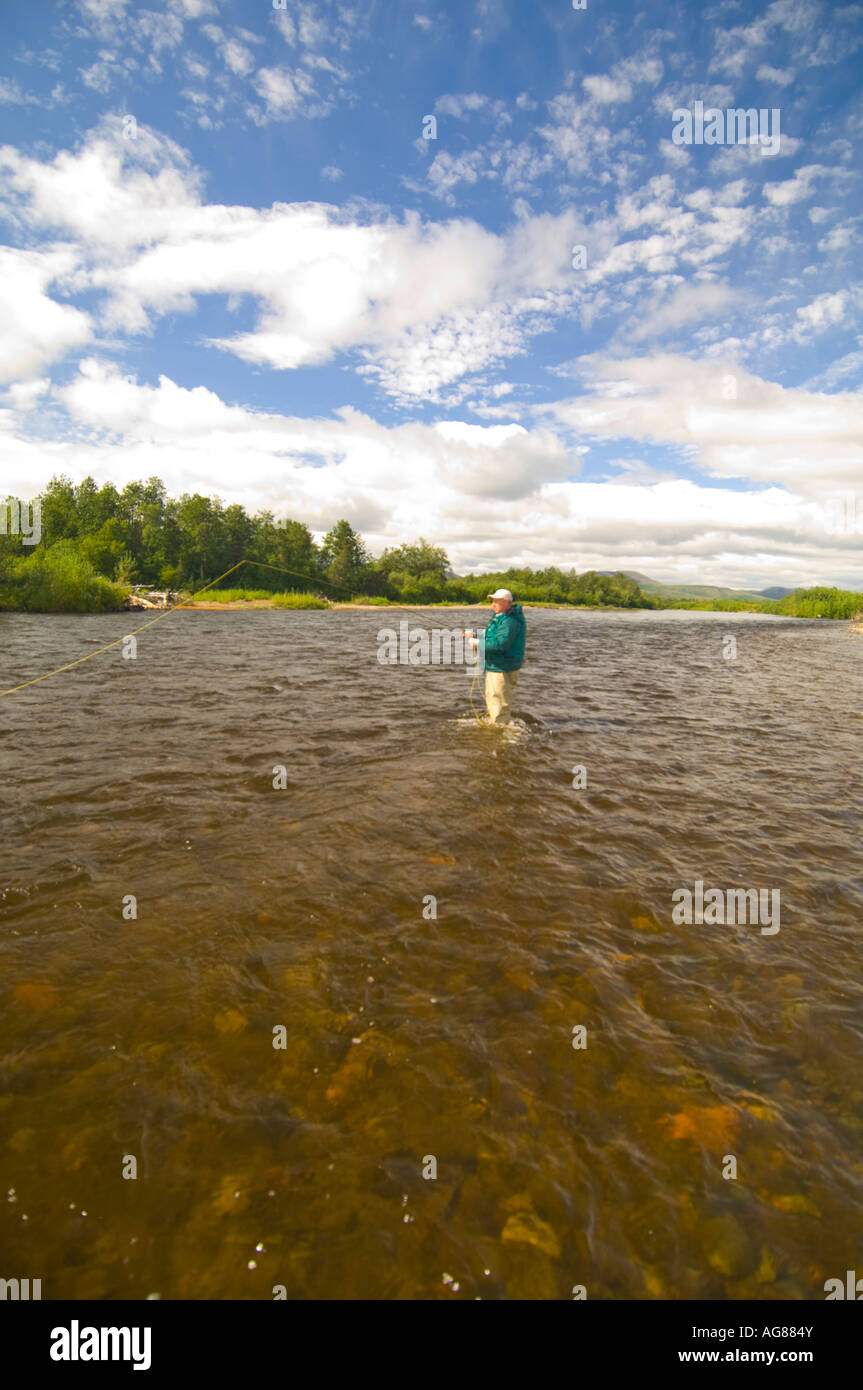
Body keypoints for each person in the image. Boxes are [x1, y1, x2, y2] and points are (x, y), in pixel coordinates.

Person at [465, 589, 526, 724]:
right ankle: (498, 727)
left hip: (502, 668)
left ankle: (500, 734)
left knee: (498, 704)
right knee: (494, 701)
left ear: (505, 602)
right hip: (497, 666)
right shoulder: (502, 618)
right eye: (492, 601)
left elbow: (500, 645)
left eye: (496, 601)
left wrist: (477, 643)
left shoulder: (509, 621)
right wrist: (476, 637)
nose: (493, 604)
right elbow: (494, 638)